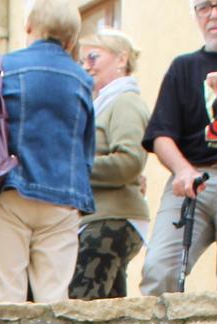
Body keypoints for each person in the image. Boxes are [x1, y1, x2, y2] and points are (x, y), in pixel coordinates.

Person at [0, 0, 95, 305]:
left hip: (8, 191)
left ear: (28, 28)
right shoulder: (82, 79)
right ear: (72, 39)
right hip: (62, 198)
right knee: (54, 302)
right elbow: (86, 149)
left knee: (6, 299)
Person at [137, 0, 217, 295]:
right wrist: (183, 170)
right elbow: (161, 134)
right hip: (194, 178)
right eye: (204, 7)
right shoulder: (183, 67)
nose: (214, 14)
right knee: (160, 269)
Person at [71, 30, 151, 300]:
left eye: (93, 57)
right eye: (83, 60)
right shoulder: (102, 106)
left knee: (80, 306)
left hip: (111, 220)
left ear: (121, 59)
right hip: (101, 220)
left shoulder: (125, 102)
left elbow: (129, 162)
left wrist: (72, 168)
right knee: (108, 315)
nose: (86, 65)